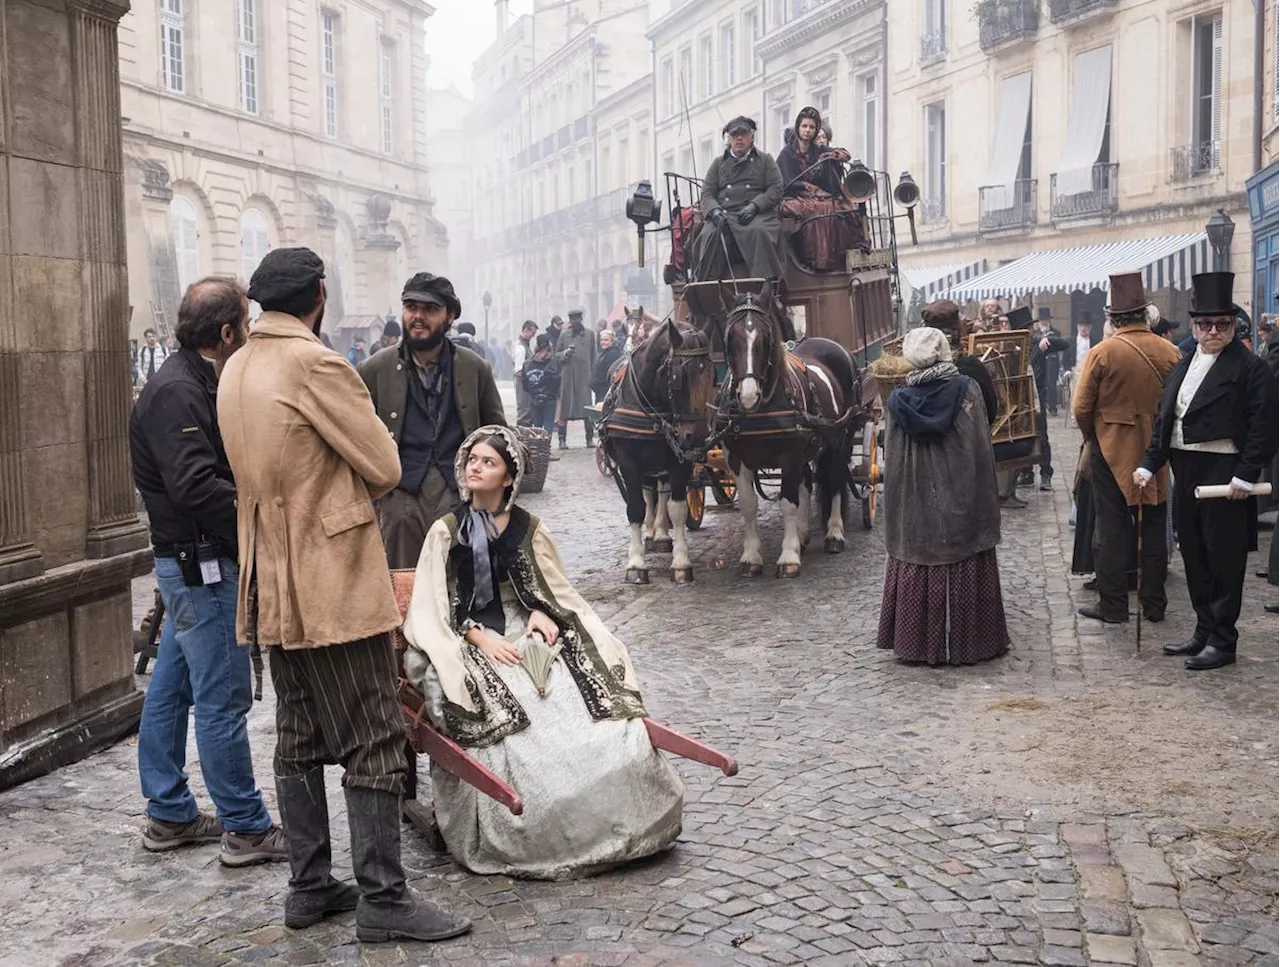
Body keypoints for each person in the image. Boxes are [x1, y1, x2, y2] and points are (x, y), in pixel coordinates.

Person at [217, 247, 471, 942]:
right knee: (375, 733)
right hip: (328, 580)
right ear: (319, 295)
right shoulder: (316, 364)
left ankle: (308, 884)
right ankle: (384, 899)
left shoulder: (237, 363)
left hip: (269, 579)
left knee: (298, 736)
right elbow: (385, 465)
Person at [401, 426, 684, 879]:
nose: (476, 467)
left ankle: (615, 805)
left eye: (488, 462)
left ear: (508, 477)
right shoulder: (445, 531)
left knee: (574, 699)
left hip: (525, 631)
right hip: (469, 637)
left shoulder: (529, 529)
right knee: (507, 712)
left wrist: (543, 614)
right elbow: (433, 605)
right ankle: (529, 819)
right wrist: (478, 637)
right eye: (472, 459)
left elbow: (554, 590)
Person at [130, 278, 287, 866]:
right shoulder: (177, 390)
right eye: (243, 325)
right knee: (222, 699)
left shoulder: (189, 379)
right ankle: (246, 827)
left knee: (169, 691)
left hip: (189, 563)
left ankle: (169, 814)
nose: (246, 334)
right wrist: (261, 524)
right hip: (203, 567)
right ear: (226, 332)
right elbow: (195, 485)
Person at [1136, 272, 1279, 671]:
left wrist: (1246, 475)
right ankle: (1203, 628)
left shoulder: (1252, 369)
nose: (1213, 331)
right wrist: (1151, 462)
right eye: (1204, 324)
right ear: (1194, 327)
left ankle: (1223, 640)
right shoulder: (1183, 365)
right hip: (1185, 467)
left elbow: (1265, 427)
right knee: (1194, 554)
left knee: (1224, 558)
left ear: (1234, 326)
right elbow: (1166, 418)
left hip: (1225, 471)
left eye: (1222, 324)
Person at [877, 327, 1010, 666]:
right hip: (961, 490)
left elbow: (892, 459)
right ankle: (971, 643)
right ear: (943, 353)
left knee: (919, 553)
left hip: (916, 501)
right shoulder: (968, 392)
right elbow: (980, 446)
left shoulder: (896, 400)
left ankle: (917, 645)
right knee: (964, 553)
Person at [358, 274, 506, 570]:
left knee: (460, 587)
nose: (418, 317)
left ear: (450, 315)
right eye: (411, 307)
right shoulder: (374, 370)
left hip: (459, 494)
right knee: (404, 587)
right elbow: (357, 441)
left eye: (430, 309)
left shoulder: (474, 368)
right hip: (400, 497)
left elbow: (497, 434)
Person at [1073, 274, 1182, 625]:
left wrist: (1096, 435)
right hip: (1156, 449)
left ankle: (1114, 605)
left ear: (1114, 318)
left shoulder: (1102, 352)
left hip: (1110, 448)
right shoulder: (1170, 350)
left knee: (1112, 527)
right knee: (1152, 525)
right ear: (1144, 314)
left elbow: (1081, 407)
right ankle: (1154, 605)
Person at [691, 116, 784, 283]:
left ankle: (767, 286)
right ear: (729, 139)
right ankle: (707, 288)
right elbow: (707, 193)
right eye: (735, 135)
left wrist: (755, 206)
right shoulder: (718, 164)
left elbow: (776, 188)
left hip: (756, 214)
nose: (739, 138)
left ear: (752, 137)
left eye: (743, 134)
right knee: (710, 234)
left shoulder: (765, 160)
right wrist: (714, 210)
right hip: (724, 215)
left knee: (759, 231)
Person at [776, 107, 864, 273]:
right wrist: (811, 189)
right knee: (821, 208)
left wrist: (837, 154)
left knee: (845, 206)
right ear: (798, 127)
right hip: (792, 198)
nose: (807, 130)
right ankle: (818, 261)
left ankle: (847, 254)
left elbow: (846, 155)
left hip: (819, 197)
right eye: (804, 126)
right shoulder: (787, 153)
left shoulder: (819, 150)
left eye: (811, 127)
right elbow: (786, 183)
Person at [1011, 305, 1068, 491]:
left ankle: (1046, 473)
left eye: (1028, 329)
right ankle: (1027, 473)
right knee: (1021, 437)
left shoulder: (1038, 343)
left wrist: (1046, 339)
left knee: (1041, 436)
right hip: (1019, 399)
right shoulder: (1011, 348)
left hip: (1037, 398)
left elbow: (1064, 344)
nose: (1026, 333)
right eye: (1022, 330)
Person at [555, 308, 596, 449]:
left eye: (578, 320)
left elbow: (594, 356)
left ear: (581, 320)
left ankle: (589, 438)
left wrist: (593, 377)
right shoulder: (564, 335)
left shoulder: (590, 335)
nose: (575, 323)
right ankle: (562, 439)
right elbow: (556, 355)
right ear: (570, 321)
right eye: (573, 320)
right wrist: (566, 353)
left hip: (585, 378)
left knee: (587, 409)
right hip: (567, 378)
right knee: (564, 410)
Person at [520, 334, 560, 432]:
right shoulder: (553, 363)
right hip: (550, 399)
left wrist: (534, 392)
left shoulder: (527, 364)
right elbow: (557, 381)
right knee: (548, 425)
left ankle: (538, 446)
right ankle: (546, 445)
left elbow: (525, 384)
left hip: (534, 399)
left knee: (536, 427)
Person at [513, 320, 538, 425]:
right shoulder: (521, 347)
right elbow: (519, 370)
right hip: (523, 383)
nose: (533, 336)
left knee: (527, 411)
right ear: (526, 330)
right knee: (524, 411)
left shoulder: (524, 345)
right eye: (532, 333)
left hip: (524, 382)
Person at [591, 328, 623, 404]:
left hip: (606, 392)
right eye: (601, 340)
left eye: (606, 340)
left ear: (612, 341)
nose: (603, 342)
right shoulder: (603, 353)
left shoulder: (613, 354)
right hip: (599, 392)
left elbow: (612, 375)